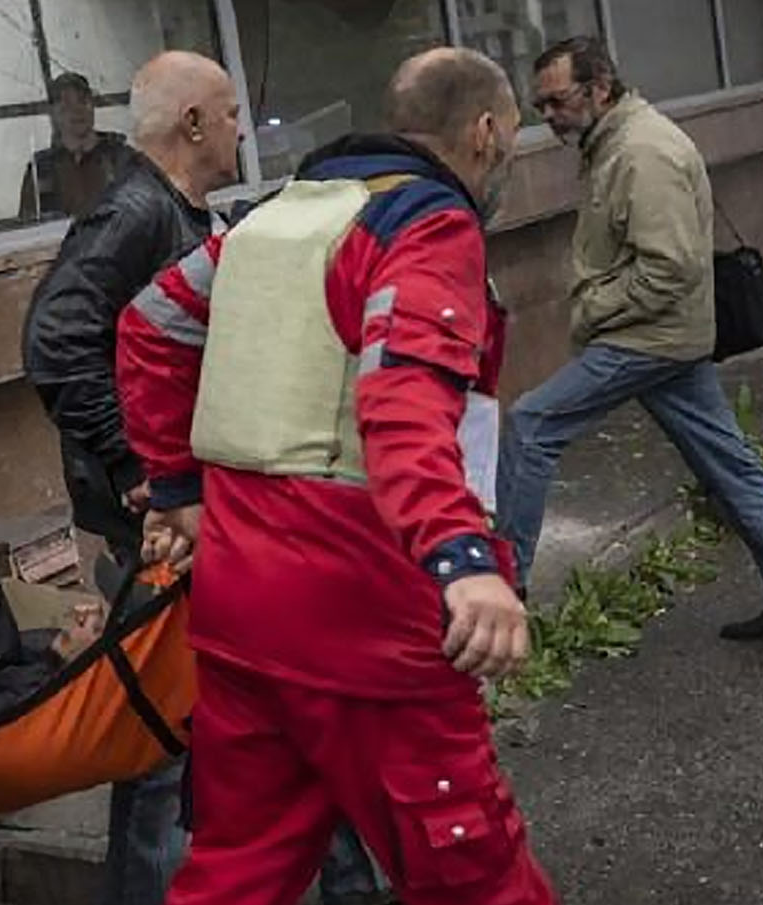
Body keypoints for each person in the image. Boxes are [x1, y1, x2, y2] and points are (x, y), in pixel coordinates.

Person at [116, 48, 559, 904]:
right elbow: (401, 401)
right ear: (485, 132)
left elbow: (151, 325)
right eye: (511, 134)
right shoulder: (428, 226)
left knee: (238, 868)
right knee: (475, 872)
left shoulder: (274, 217)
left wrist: (180, 489)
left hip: (242, 605)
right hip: (365, 610)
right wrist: (463, 559)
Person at [499, 36, 763, 640]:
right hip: (666, 338)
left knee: (531, 425)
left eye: (557, 101)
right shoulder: (613, 143)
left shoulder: (642, 152)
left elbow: (670, 268)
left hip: (647, 339)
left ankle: (503, 595)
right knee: (731, 468)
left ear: (599, 88)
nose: (547, 115)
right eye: (539, 105)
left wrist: (596, 307)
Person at [21, 51, 232, 905]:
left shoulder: (175, 210)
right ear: (192, 124)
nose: (240, 128)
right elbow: (55, 338)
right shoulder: (135, 212)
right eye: (228, 112)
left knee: (205, 719)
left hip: (186, 509)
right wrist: (139, 461)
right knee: (160, 737)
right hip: (154, 519)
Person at [19, 71, 139, 221]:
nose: (77, 110)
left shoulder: (121, 157)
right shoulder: (40, 170)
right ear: (53, 113)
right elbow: (28, 225)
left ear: (93, 106)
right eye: (67, 104)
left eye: (83, 101)